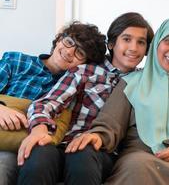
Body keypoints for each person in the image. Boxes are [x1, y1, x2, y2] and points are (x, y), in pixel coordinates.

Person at [67, 17, 169, 184]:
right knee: (136, 166)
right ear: (157, 43)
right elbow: (112, 120)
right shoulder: (132, 81)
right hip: (144, 153)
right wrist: (99, 135)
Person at [17, 12, 154, 185]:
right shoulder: (85, 71)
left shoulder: (145, 80)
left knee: (82, 155)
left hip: (100, 152)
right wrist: (39, 130)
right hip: (64, 143)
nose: (134, 48)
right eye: (126, 39)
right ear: (112, 44)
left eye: (141, 42)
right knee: (38, 155)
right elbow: (47, 103)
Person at [0, 21, 105, 185]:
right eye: (69, 42)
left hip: (19, 146)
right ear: (58, 40)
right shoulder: (16, 60)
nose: (69, 52)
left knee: (3, 167)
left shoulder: (72, 87)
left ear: (85, 64)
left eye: (80, 53)